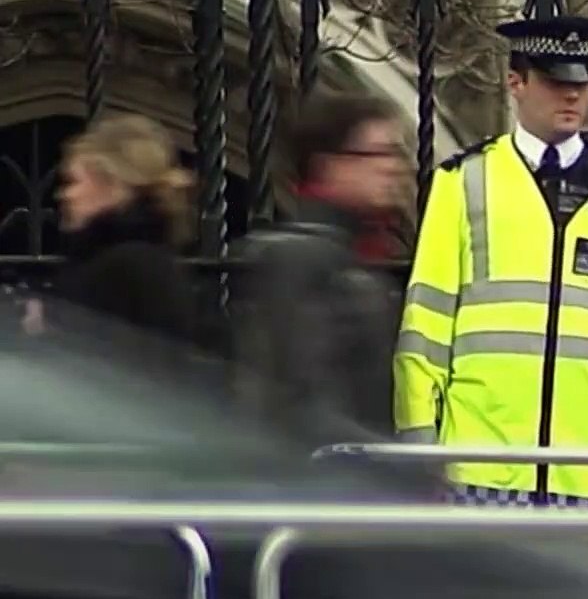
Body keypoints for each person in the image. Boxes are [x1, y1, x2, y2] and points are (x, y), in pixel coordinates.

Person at [393, 15, 588, 508]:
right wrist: (420, 447)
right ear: (515, 83)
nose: (573, 96)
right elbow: (424, 334)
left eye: (582, 83)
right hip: (480, 468)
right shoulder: (462, 184)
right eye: (557, 82)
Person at [233, 92, 410, 449]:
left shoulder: (359, 255)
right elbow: (299, 402)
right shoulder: (299, 259)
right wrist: (399, 465)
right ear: (328, 165)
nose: (393, 166)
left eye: (396, 152)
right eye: (376, 153)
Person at [25, 113, 197, 353]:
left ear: (113, 184)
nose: (64, 195)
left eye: (74, 182)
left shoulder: (132, 266)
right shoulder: (107, 258)